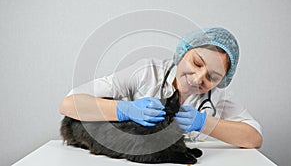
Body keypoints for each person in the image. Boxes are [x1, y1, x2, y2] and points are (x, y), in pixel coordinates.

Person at [59, 27, 263, 148]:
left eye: (213, 77)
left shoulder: (217, 97)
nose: (199, 78)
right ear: (184, 52)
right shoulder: (147, 72)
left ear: (222, 81)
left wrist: (205, 123)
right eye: (197, 63)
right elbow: (69, 104)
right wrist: (124, 109)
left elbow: (254, 138)